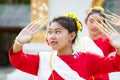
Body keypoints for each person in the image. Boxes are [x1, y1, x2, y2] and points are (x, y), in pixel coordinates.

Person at [9, 13, 120, 80]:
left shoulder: (88, 59)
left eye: (57, 32)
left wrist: (119, 48)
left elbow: (116, 64)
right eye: (50, 32)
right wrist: (18, 42)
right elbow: (18, 60)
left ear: (72, 35)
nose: (52, 36)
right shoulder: (42, 59)